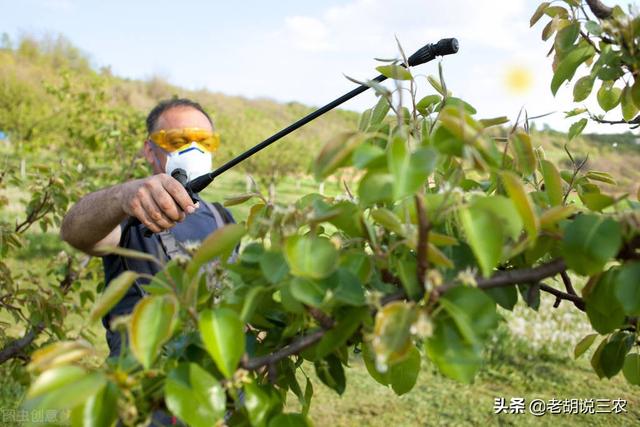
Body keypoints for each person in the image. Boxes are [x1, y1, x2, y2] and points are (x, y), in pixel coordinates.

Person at [60, 98, 235, 358]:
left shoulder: (222, 217)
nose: (194, 150)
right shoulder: (129, 210)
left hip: (221, 377)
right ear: (150, 150)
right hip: (146, 383)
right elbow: (75, 233)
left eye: (205, 142)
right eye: (178, 141)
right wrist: (122, 197)